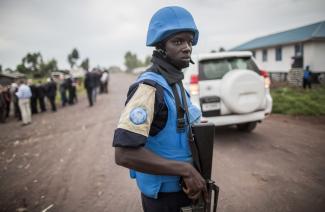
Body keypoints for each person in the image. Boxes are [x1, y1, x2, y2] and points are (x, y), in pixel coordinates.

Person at [113, 6, 207, 212]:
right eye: (178, 41)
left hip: (185, 194)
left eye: (189, 41)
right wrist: (185, 170)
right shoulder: (149, 88)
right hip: (165, 201)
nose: (187, 47)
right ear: (160, 47)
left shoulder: (175, 83)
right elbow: (124, 154)